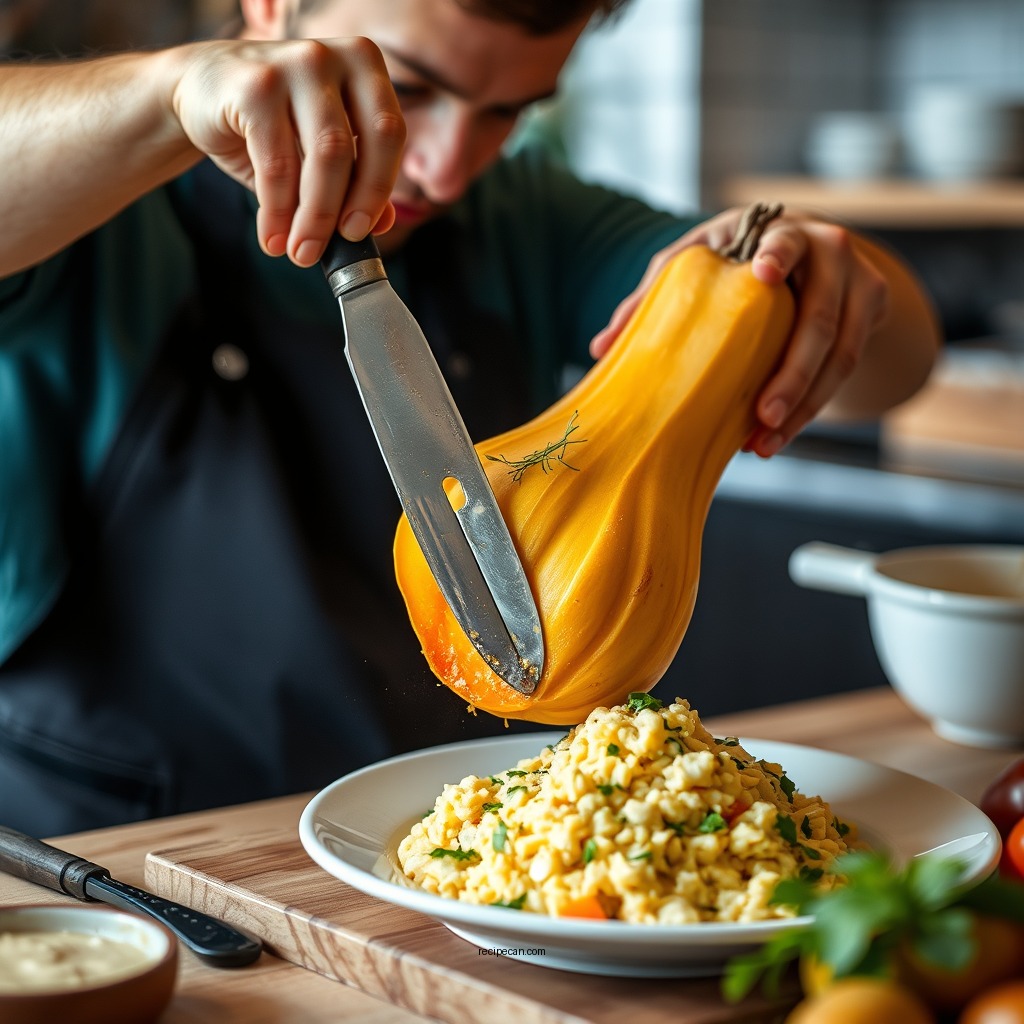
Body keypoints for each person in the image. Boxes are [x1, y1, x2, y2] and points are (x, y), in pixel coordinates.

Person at [0, 0, 940, 836]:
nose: (447, 168)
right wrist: (169, 91)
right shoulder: (93, 198)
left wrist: (814, 269)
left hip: (420, 834)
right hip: (112, 855)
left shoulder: (525, 217)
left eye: (507, 112)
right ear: (271, 6)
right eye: (408, 88)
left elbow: (897, 367)